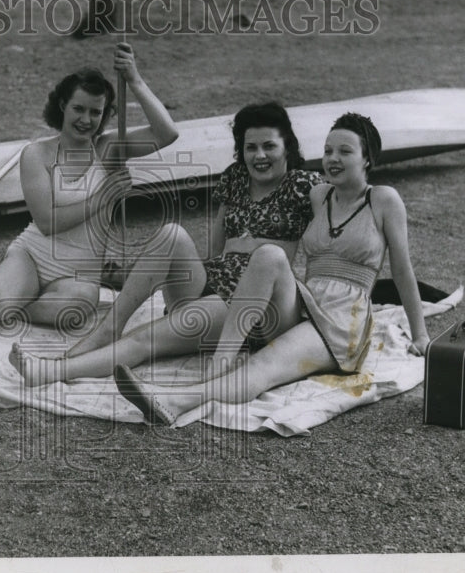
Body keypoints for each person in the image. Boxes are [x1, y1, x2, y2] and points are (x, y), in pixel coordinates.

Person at [113, 112, 431, 426]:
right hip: (304, 303)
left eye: (345, 151)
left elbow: (402, 270)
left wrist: (420, 335)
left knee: (264, 365)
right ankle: (219, 361)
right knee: (268, 255)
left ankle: (173, 401)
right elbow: (268, 192)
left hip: (342, 320)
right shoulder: (320, 195)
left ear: (367, 158)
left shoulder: (384, 200)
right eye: (328, 150)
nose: (333, 158)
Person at [9, 101, 323, 385]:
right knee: (172, 233)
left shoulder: (304, 184)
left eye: (269, 146)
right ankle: (109, 328)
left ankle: (50, 372)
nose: (260, 156)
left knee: (144, 339)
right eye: (250, 147)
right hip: (217, 285)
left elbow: (335, 229)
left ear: (287, 146)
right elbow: (214, 250)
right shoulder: (235, 178)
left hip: (262, 303)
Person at [0, 42, 178, 327]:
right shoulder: (36, 154)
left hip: (80, 273)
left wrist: (135, 80)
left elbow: (167, 133)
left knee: (72, 313)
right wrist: (105, 196)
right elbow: (48, 222)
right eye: (79, 109)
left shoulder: (109, 148)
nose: (86, 120)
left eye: (95, 112)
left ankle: (17, 307)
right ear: (63, 105)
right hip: (34, 256)